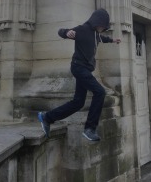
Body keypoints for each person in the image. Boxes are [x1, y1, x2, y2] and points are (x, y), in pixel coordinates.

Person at [38, 8, 121, 142]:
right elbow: (61, 32)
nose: (103, 29)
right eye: (102, 26)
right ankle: (90, 129)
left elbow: (102, 38)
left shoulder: (96, 34)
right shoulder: (82, 29)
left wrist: (112, 40)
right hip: (79, 67)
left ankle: (47, 117)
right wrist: (67, 32)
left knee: (78, 103)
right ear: (97, 22)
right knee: (99, 92)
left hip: (85, 70)